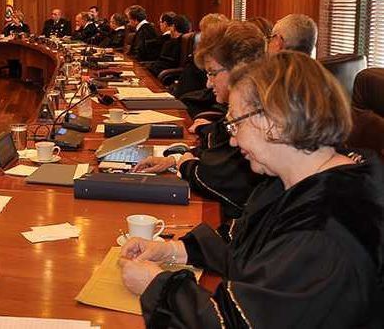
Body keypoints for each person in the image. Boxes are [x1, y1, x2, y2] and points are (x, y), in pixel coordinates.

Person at [120, 51, 384, 328]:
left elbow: (239, 323)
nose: (233, 141)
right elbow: (246, 242)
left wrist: (157, 285)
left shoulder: (324, 231)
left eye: (235, 124)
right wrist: (170, 250)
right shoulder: (299, 178)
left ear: (274, 122)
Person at [134, 22, 267, 221]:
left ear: (238, 69)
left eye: (212, 73)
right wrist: (175, 160)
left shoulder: (257, 117)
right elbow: (216, 153)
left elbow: (219, 177)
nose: (208, 83)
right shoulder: (243, 108)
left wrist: (186, 165)